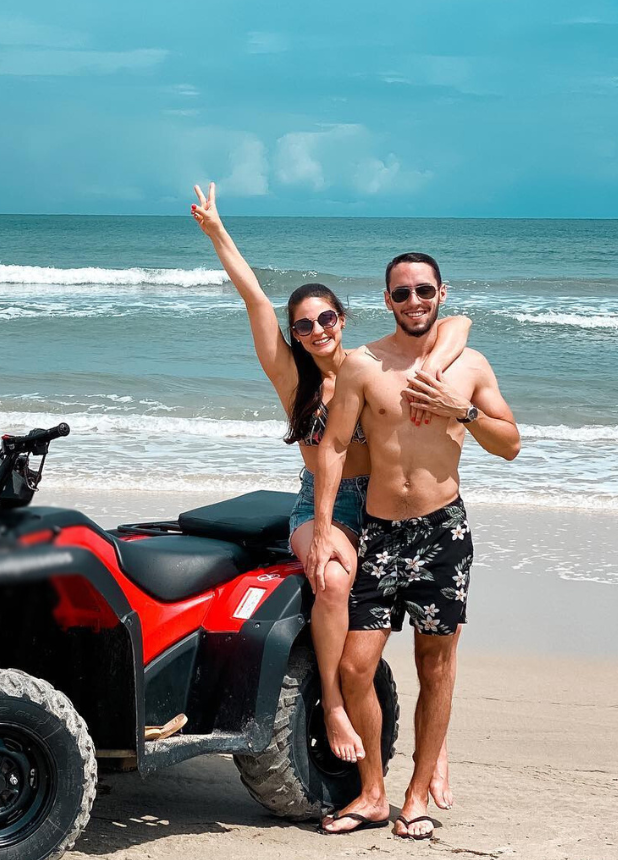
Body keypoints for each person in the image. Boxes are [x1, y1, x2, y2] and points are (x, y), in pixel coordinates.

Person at [191, 187, 469, 797]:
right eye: (303, 324)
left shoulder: (369, 364)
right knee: (334, 579)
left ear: (342, 319)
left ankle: (436, 745)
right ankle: (336, 705)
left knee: (427, 632)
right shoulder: (290, 375)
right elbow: (254, 297)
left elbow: (453, 321)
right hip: (328, 503)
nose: (315, 330)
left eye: (325, 319)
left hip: (389, 507)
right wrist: (217, 231)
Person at [308, 252, 519, 839]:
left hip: (441, 532)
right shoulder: (362, 366)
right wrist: (324, 525)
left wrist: (464, 411)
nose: (413, 302)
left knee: (437, 666)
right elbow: (332, 448)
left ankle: (416, 796)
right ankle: (373, 793)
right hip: (378, 532)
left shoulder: (468, 366)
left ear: (441, 293)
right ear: (387, 301)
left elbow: (511, 444)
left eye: (423, 291)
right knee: (355, 667)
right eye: (401, 294)